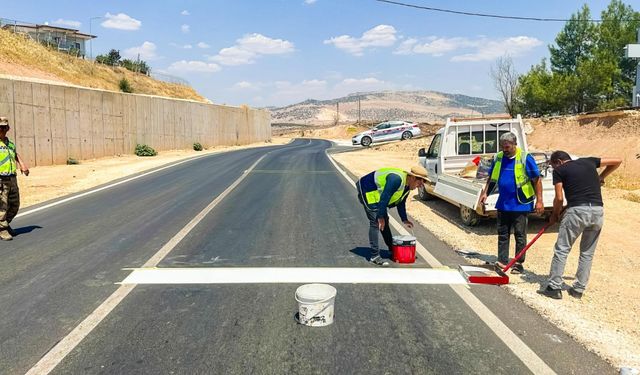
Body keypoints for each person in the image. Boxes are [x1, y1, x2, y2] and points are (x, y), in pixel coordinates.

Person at [537, 151, 621, 299]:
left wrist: (554, 215)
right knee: (587, 253)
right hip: (597, 210)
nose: (553, 169)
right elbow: (617, 160)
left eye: (552, 165)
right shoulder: (589, 161)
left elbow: (559, 198)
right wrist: (601, 176)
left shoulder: (560, 171)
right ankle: (578, 290)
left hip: (577, 210)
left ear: (558, 162)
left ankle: (554, 287)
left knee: (562, 249)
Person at [479, 132, 543, 274]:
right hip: (503, 203)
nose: (504, 149)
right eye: (502, 147)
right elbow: (492, 178)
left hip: (521, 203)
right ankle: (502, 261)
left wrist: (540, 200)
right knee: (503, 233)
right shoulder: (499, 157)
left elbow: (536, 180)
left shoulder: (525, 158)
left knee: (520, 234)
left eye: (507, 147)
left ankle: (518, 263)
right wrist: (485, 194)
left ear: (514, 144)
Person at [356, 166, 427, 266]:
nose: (419, 186)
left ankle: (391, 249)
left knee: (385, 221)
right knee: (376, 222)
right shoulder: (396, 179)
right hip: (367, 189)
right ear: (413, 178)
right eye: (419, 183)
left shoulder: (407, 186)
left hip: (379, 196)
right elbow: (385, 197)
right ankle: (374, 256)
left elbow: (401, 203)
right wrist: (380, 217)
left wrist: (404, 219)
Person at [0, 116, 29, 241]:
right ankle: (2, 229)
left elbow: (15, 154)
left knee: (15, 205)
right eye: (0, 127)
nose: (2, 129)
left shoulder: (10, 143)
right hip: (1, 179)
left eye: (4, 127)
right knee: (2, 206)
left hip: (12, 177)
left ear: (8, 128)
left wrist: (22, 164)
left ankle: (4, 224)